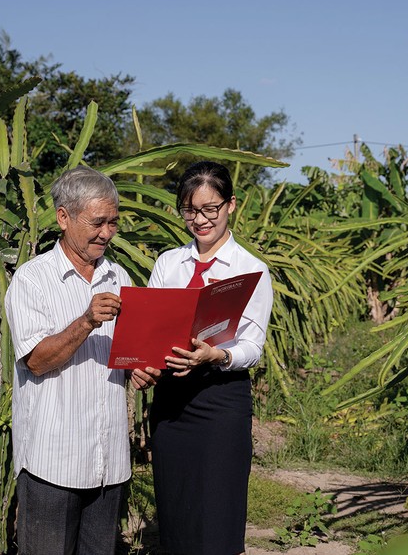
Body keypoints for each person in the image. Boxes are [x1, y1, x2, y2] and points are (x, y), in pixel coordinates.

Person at [4, 165, 158, 555]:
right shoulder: (32, 280)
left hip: (108, 461)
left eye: (113, 222)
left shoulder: (119, 277)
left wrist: (140, 369)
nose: (106, 233)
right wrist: (87, 321)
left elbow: (129, 352)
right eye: (97, 222)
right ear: (63, 217)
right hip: (53, 463)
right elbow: (36, 361)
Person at [147, 160, 274, 555]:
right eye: (190, 210)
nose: (200, 220)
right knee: (176, 511)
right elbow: (150, 329)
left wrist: (217, 355)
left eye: (210, 209)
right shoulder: (168, 263)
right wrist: (141, 364)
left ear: (230, 204)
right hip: (171, 401)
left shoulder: (251, 269)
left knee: (218, 512)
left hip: (220, 401)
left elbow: (252, 346)